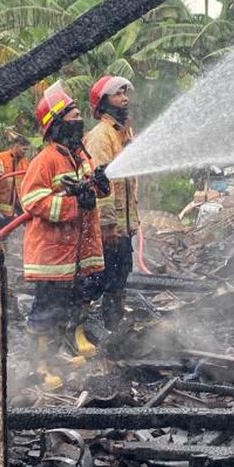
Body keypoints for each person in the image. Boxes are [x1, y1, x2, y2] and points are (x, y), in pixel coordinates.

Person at [20, 81, 109, 390]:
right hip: (51, 256)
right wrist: (72, 204)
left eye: (76, 113)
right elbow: (31, 200)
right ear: (56, 124)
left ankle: (56, 357)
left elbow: (91, 189)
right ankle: (40, 366)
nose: (78, 118)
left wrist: (99, 184)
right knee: (46, 311)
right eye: (71, 114)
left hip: (76, 254)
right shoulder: (45, 159)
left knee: (70, 305)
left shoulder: (79, 155)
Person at [84, 75, 140, 329]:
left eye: (125, 93)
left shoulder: (122, 134)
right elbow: (100, 183)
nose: (124, 98)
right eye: (118, 94)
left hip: (123, 227)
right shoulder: (100, 136)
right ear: (104, 102)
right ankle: (73, 327)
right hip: (108, 228)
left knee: (119, 277)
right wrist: (106, 224)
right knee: (99, 280)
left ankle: (113, 329)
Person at [0, 133, 31, 219]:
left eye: (27, 150)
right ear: (16, 146)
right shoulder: (0, 158)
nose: (25, 152)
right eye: (24, 149)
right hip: (0, 208)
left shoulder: (25, 164)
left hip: (17, 207)